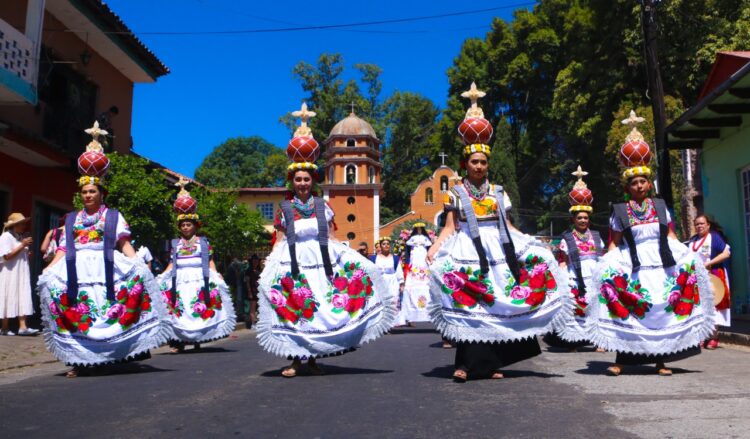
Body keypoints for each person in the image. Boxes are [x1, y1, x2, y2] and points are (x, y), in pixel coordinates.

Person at [427, 83, 569, 381]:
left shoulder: (498, 192)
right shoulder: (455, 193)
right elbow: (451, 226)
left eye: (483, 162)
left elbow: (509, 225)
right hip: (467, 248)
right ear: (465, 164)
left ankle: (489, 364)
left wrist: (532, 243)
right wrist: (435, 247)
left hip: (499, 250)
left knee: (497, 305)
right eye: (473, 162)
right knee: (470, 304)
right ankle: (465, 364)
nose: (479, 166)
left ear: (488, 164)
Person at [257, 103, 395, 377]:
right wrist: (270, 265)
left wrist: (353, 261)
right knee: (296, 307)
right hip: (293, 264)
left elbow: (331, 236)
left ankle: (312, 359)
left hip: (320, 265)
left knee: (317, 308)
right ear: (292, 180)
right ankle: (295, 360)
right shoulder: (285, 208)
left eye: (306, 179)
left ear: (313, 180)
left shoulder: (323, 206)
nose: (302, 184)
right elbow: (280, 238)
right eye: (298, 179)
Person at [38, 121, 171, 377]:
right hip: (77, 270)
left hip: (105, 267)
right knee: (79, 310)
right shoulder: (72, 219)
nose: (88, 195)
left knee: (104, 310)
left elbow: (123, 244)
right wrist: (49, 269)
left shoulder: (112, 217)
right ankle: (79, 360)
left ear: (101, 193)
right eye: (84, 191)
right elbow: (64, 248)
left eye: (93, 191)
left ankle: (108, 355)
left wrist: (139, 265)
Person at [588, 111, 714, 376]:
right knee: (635, 307)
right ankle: (622, 360)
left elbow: (670, 236)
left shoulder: (660, 206)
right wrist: (605, 267)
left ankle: (660, 362)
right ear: (628, 186)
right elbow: (615, 242)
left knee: (660, 307)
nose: (639, 186)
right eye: (634, 182)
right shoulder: (620, 210)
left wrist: (687, 256)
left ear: (649, 183)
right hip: (633, 265)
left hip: (661, 263)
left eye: (643, 181)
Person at [157, 178, 235, 353]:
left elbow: (209, 261)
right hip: (180, 280)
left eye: (188, 224)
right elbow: (172, 263)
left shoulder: (203, 243)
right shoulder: (175, 243)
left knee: (198, 308)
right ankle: (179, 342)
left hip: (199, 279)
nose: (185, 227)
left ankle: (199, 339)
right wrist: (162, 276)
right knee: (180, 310)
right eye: (182, 225)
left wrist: (216, 274)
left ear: (195, 225)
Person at [548, 166, 605, 349]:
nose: (583, 220)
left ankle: (599, 340)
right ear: (573, 219)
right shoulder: (567, 237)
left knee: (597, 307)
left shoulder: (596, 236)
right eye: (579, 218)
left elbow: (602, 257)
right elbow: (563, 260)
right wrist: (564, 280)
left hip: (594, 276)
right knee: (576, 309)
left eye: (585, 218)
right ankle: (574, 340)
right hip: (575, 277)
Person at [688, 214, 731, 349]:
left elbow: (726, 253)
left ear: (708, 225)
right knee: (699, 307)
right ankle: (702, 336)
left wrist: (708, 263)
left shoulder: (714, 237)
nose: (699, 226)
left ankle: (713, 336)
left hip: (714, 275)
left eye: (702, 224)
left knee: (714, 305)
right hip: (697, 278)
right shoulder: (693, 240)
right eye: (697, 224)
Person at [0, 213, 39, 336]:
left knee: (22, 295)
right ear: (14, 225)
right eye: (21, 223)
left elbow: (18, 253)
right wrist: (22, 245)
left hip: (21, 273)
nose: (24, 226)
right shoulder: (6, 237)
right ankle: (4, 328)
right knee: (8, 296)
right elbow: (6, 256)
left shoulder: (19, 237)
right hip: (10, 273)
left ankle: (23, 327)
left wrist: (26, 253)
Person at [370, 237, 406, 327]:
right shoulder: (374, 258)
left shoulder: (395, 258)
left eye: (387, 244)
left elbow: (399, 272)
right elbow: (370, 271)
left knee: (393, 301)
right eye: (384, 244)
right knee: (381, 303)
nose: (386, 245)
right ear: (380, 246)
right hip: (379, 283)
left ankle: (391, 323)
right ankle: (381, 324)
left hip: (392, 283)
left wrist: (401, 284)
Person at [401, 223, 433, 323]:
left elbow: (429, 247)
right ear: (415, 229)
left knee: (423, 265)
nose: (419, 230)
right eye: (417, 229)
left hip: (423, 253)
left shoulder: (425, 237)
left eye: (420, 229)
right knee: (414, 265)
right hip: (415, 254)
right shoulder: (413, 238)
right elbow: (408, 247)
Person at [244, 254, 261, 328]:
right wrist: (249, 292)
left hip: (259, 291)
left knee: (259, 307)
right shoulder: (248, 270)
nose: (256, 262)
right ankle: (253, 324)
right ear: (251, 261)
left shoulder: (259, 270)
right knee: (253, 308)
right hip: (252, 291)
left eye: (257, 261)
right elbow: (247, 282)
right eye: (254, 260)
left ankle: (257, 322)